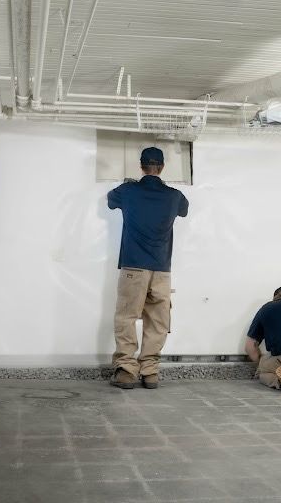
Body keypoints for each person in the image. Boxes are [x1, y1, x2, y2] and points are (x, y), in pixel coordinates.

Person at [107, 147, 189, 389]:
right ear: (162, 168)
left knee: (126, 317)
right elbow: (184, 210)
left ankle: (125, 369)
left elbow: (111, 201)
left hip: (134, 267)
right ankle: (150, 371)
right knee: (158, 321)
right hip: (162, 270)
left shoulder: (127, 191)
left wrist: (128, 184)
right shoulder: (174, 196)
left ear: (141, 166)